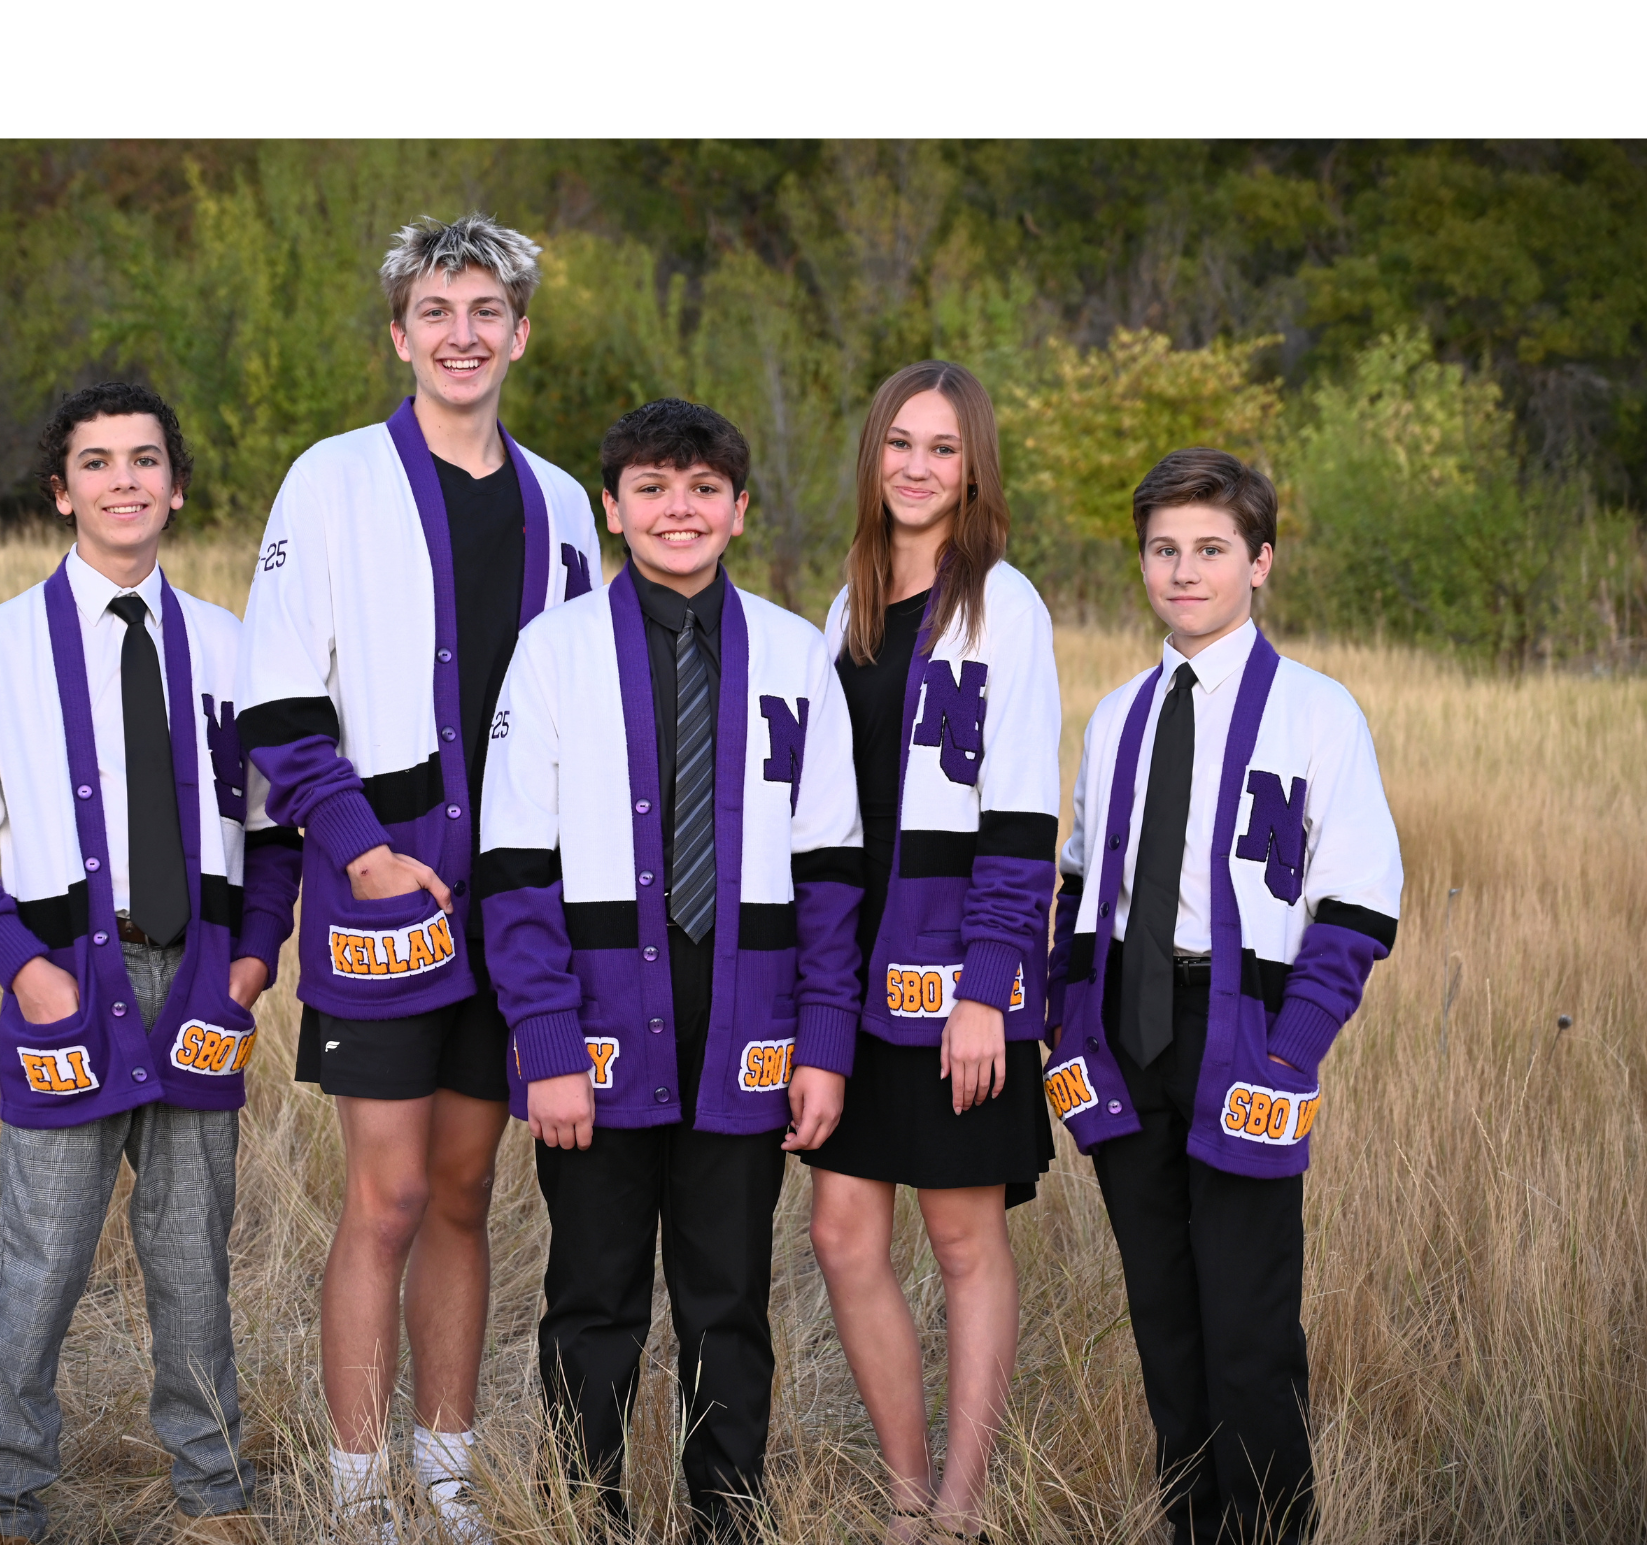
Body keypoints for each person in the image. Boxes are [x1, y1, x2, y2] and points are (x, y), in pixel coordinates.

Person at [234, 214, 602, 1541]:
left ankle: (448, 1480)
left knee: (463, 1192)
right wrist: (360, 847)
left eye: (486, 310)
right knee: (383, 1195)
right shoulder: (329, 481)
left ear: (516, 333)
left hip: (516, 901)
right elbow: (275, 701)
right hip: (379, 882)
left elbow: (578, 703)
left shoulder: (564, 501)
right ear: (401, 332)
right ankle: (356, 1492)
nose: (462, 333)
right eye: (437, 310)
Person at [0, 381, 300, 1544]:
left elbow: (277, 835)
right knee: (41, 1264)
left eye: (144, 460)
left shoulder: (234, 647)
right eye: (96, 461)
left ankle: (211, 1492)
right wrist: (28, 973)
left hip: (200, 988)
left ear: (176, 487)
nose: (122, 480)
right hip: (68, 987)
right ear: (60, 489)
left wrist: (247, 968)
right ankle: (3, 1500)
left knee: (192, 1259)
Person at [477, 398, 865, 1543]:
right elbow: (512, 868)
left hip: (745, 1021)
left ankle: (724, 1519)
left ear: (739, 510)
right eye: (650, 487)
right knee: (592, 1297)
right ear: (612, 509)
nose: (676, 509)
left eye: (702, 488)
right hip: (596, 1023)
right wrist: (544, 1045)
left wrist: (825, 1045)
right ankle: (579, 1515)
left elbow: (833, 871)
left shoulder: (797, 656)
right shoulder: (552, 655)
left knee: (726, 1302)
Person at [1045, 448, 1403, 1543]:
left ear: (1259, 562)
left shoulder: (1316, 713)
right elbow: (1074, 885)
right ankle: (1190, 1526)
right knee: (1163, 1320)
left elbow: (1356, 903)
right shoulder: (1116, 718)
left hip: (1244, 1031)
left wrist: (1291, 1052)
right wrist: (1068, 1029)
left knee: (1247, 1326)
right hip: (1123, 1032)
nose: (1183, 571)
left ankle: (1267, 1532)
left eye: (1209, 550)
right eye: (1163, 550)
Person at [801, 360, 1063, 1544]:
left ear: (974, 469)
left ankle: (960, 1511)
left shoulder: (1002, 605)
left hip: (954, 975)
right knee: (842, 1231)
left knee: (962, 1237)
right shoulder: (841, 606)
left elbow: (1018, 821)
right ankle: (904, 1498)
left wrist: (983, 993)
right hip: (852, 978)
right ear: (873, 457)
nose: (916, 466)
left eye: (942, 449)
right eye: (899, 443)